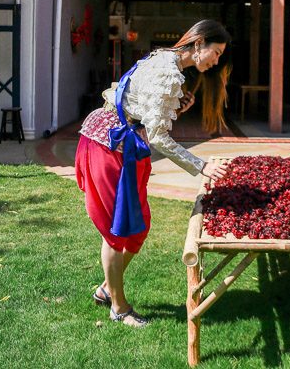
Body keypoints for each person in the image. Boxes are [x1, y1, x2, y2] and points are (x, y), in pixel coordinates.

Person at [75, 19, 232, 327]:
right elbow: (158, 136)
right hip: (107, 145)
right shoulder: (169, 70)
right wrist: (201, 165)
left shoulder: (165, 60)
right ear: (198, 44)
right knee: (117, 230)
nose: (216, 61)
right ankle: (119, 307)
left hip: (126, 146)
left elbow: (142, 105)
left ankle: (108, 287)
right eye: (216, 52)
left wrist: (176, 106)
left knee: (138, 226)